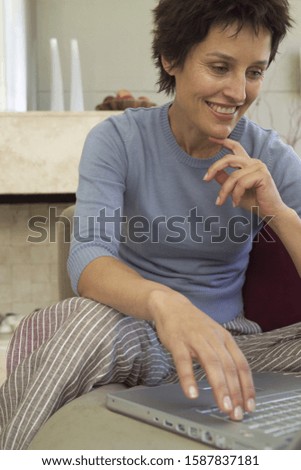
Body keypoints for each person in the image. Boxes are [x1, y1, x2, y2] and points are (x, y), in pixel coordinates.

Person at [1, 0, 301, 450]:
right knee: (81, 321)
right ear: (171, 58)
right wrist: (167, 306)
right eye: (220, 67)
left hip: (229, 346)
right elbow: (88, 258)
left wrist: (279, 211)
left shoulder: (270, 156)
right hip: (134, 332)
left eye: (254, 72)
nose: (238, 92)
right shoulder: (118, 140)